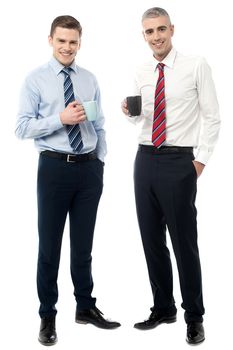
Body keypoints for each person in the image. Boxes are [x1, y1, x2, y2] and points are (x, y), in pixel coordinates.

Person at [16, 15, 120, 346]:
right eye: (61, 40)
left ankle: (85, 307)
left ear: (80, 42)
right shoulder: (35, 80)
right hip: (54, 169)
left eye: (73, 41)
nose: (67, 47)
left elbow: (99, 123)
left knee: (83, 246)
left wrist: (100, 160)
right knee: (49, 247)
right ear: (50, 40)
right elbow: (21, 127)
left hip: (89, 170)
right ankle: (47, 315)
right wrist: (59, 119)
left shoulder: (89, 79)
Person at [121, 7, 220, 345]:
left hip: (180, 162)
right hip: (144, 159)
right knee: (151, 241)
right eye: (150, 32)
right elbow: (141, 119)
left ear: (172, 29)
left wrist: (200, 162)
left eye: (161, 29)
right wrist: (129, 113)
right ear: (144, 36)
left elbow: (213, 117)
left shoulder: (196, 65)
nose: (156, 36)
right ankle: (163, 307)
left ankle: (194, 316)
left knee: (184, 244)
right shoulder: (141, 70)